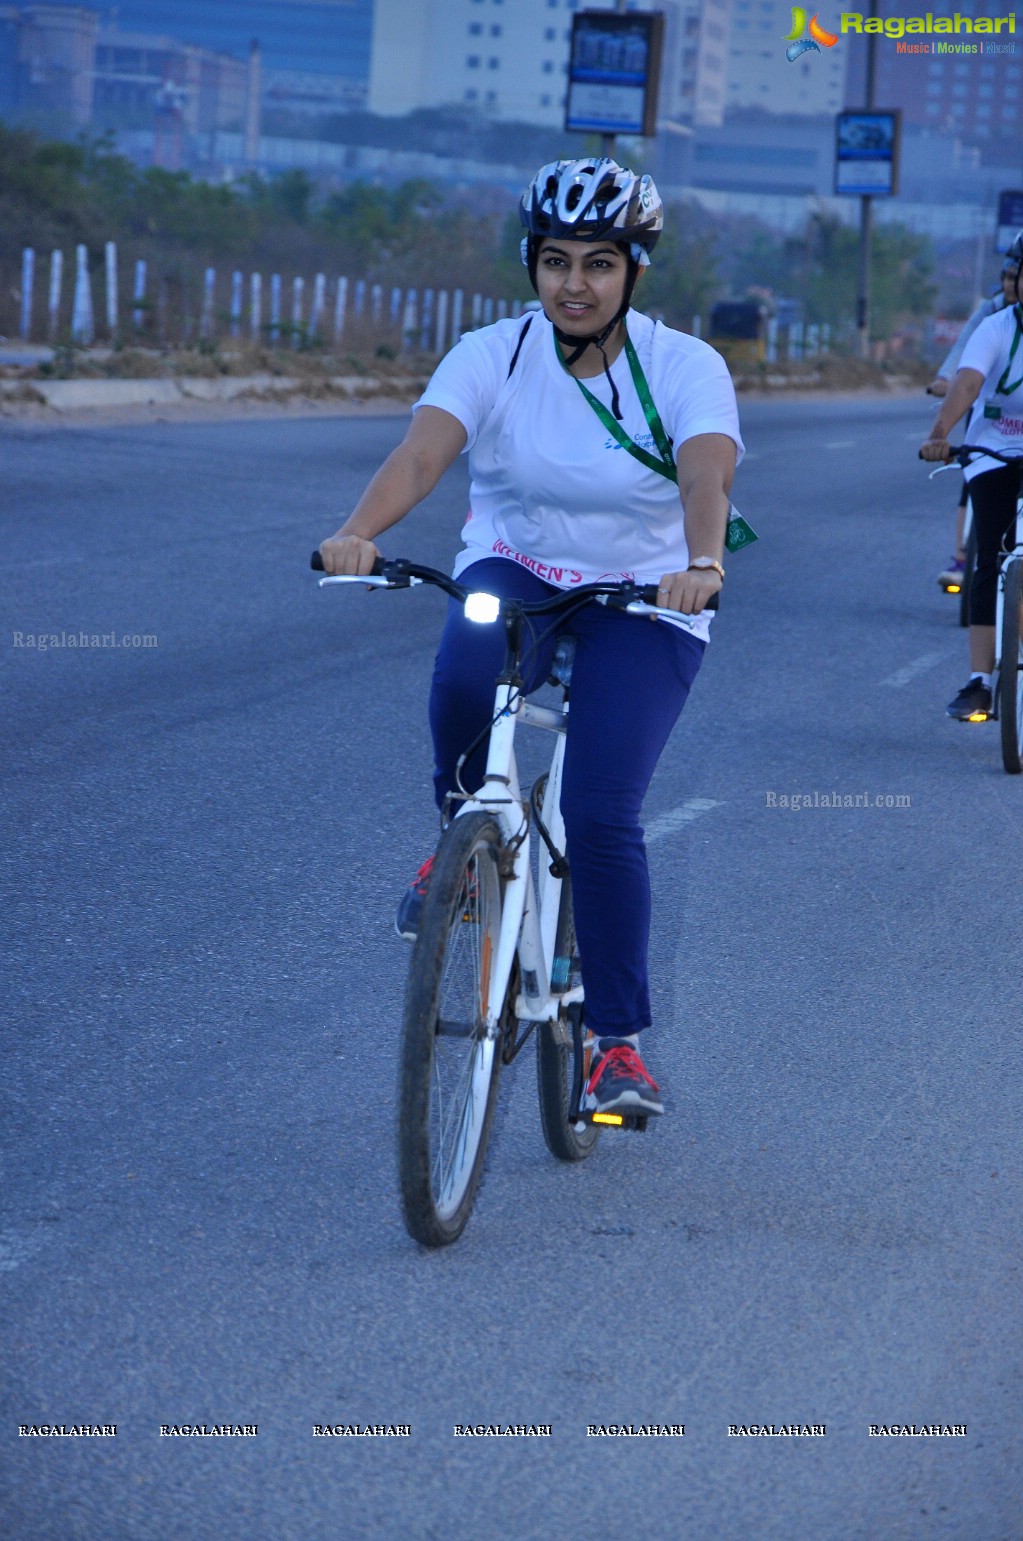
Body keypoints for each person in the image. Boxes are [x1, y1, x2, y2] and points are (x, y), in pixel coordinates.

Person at [319, 158, 742, 1119]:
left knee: (598, 813)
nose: (574, 284)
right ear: (531, 263)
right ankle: (459, 837)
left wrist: (703, 563)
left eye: (599, 262)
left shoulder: (684, 367)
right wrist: (361, 533)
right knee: (468, 656)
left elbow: (703, 476)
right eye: (555, 261)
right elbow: (424, 450)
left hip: (647, 593)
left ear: (634, 270)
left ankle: (615, 1046)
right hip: (518, 571)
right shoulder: (489, 354)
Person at [920, 229, 1023, 719]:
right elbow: (967, 384)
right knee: (991, 560)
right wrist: (940, 432)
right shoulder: (997, 326)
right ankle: (980, 680)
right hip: (992, 449)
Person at [927, 245, 1021, 591]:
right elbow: (962, 361)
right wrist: (944, 380)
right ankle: (961, 558)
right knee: (974, 476)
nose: (1013, 285)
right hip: (991, 418)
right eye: (1010, 277)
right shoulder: (992, 316)